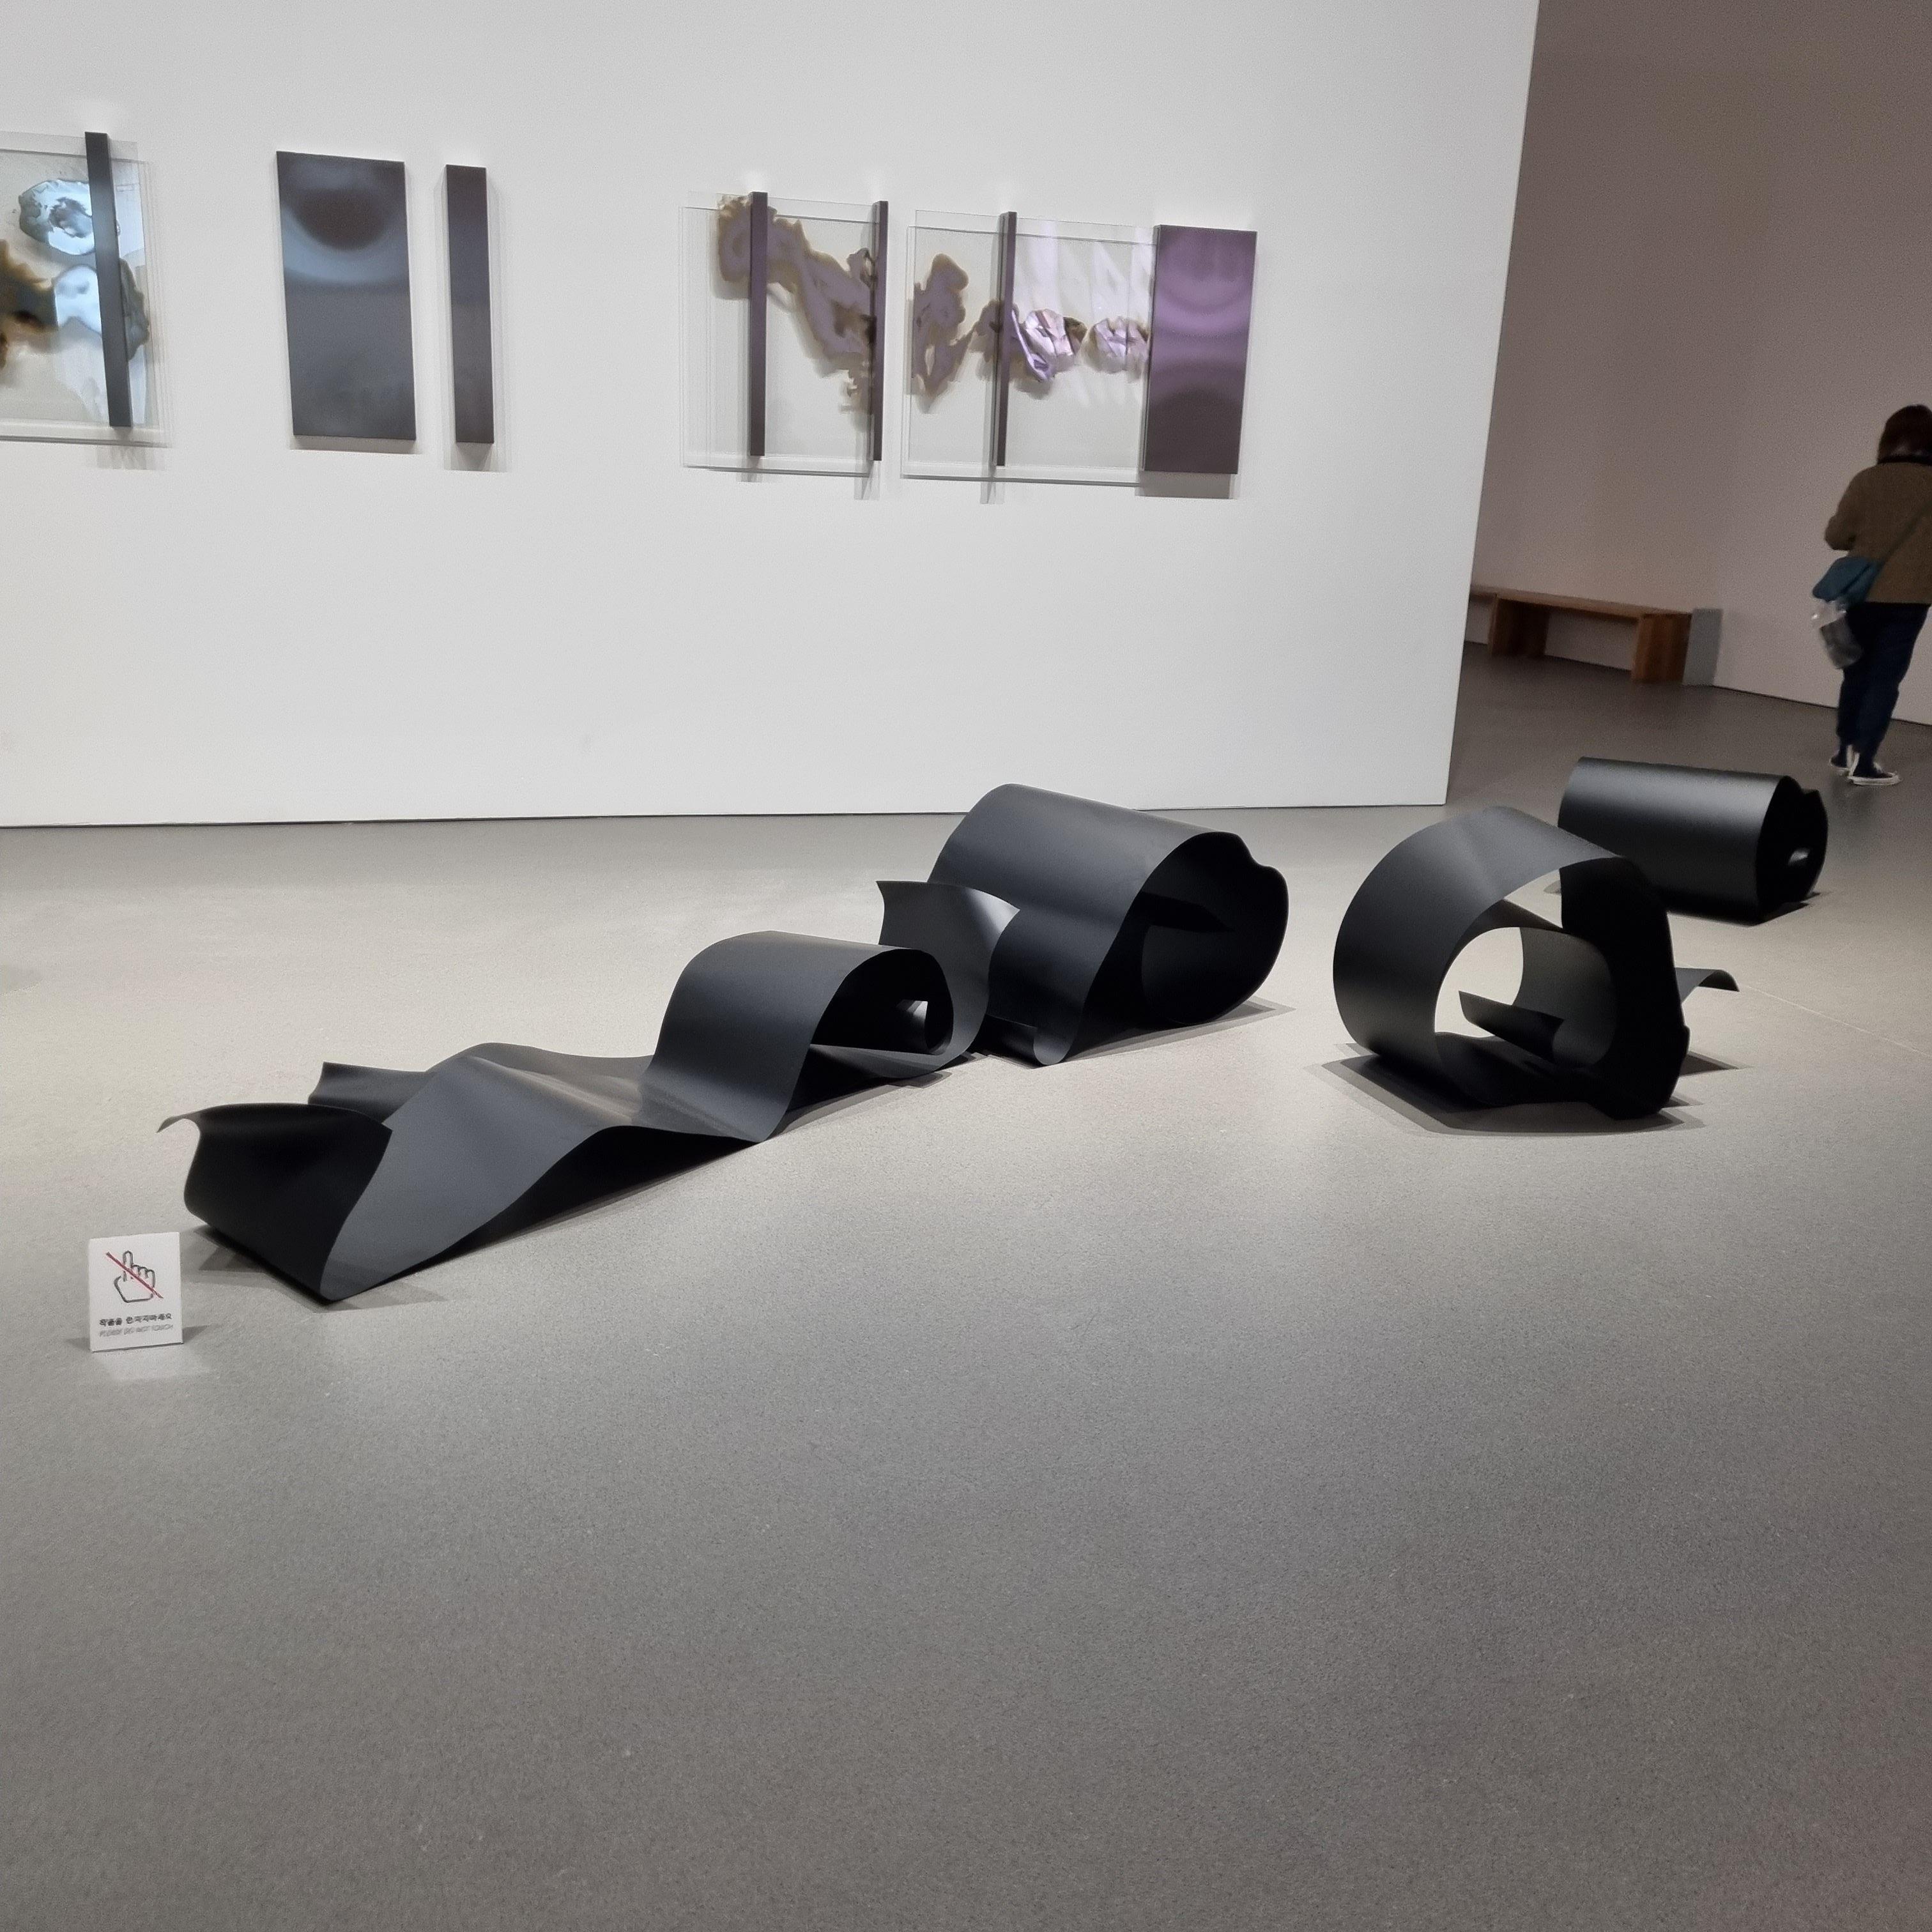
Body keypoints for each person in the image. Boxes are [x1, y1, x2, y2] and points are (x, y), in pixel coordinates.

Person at [1822, 404, 1932, 785]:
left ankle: (1843, 749)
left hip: (1862, 593)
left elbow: (1836, 536)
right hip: (1911, 597)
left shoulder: (1866, 480)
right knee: (1885, 678)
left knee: (1856, 673)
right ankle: (1865, 760)